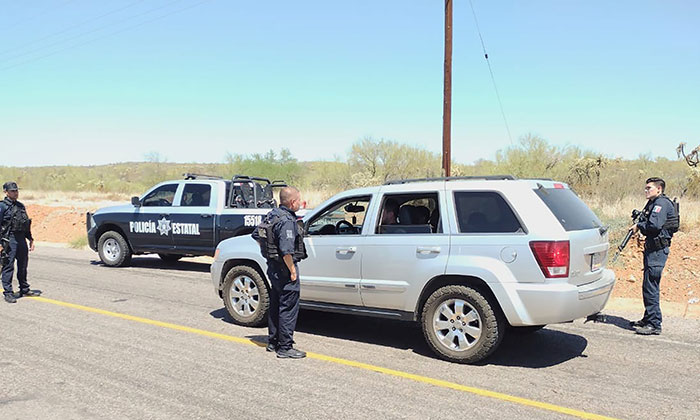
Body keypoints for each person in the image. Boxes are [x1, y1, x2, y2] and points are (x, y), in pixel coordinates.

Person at [252, 186, 307, 358]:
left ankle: (273, 341)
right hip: (284, 269)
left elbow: (257, 235)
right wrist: (292, 271)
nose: (300, 203)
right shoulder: (287, 221)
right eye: (299, 200)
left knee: (276, 305)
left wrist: (270, 253)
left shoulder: (272, 215)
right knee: (288, 307)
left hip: (273, 268)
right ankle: (285, 347)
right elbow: (287, 251)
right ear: (292, 202)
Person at [629, 177, 678, 335]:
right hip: (652, 249)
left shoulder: (661, 204)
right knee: (648, 286)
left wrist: (639, 226)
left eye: (649, 188)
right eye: (646, 188)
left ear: (659, 189)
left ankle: (654, 324)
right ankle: (648, 318)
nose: (646, 190)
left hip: (657, 251)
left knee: (651, 287)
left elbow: (654, 225)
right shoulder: (653, 203)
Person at [1, 182, 41, 303]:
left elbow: (25, 224)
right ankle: (8, 292)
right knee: (8, 267)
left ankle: (24, 288)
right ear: (6, 192)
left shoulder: (20, 206)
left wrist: (31, 239)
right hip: (9, 239)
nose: (15, 193)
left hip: (21, 238)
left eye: (16, 191)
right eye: (12, 191)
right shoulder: (2, 207)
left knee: (23, 265)